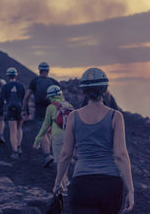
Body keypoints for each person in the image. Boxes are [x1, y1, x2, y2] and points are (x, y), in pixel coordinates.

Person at [54, 68, 134, 213]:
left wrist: (58, 183)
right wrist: (130, 190)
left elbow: (66, 154)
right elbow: (121, 155)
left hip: (82, 184)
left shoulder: (73, 116)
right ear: (105, 89)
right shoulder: (115, 116)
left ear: (83, 91)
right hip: (111, 184)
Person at [33, 85, 73, 191]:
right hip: (70, 136)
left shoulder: (51, 107)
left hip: (58, 137)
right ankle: (67, 180)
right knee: (66, 159)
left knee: (60, 162)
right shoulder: (69, 106)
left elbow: (45, 126)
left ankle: (63, 188)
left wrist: (38, 139)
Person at [23, 62, 59, 167]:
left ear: (39, 70)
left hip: (40, 110)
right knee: (49, 132)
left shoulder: (35, 81)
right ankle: (51, 152)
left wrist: (24, 110)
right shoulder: (54, 81)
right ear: (48, 71)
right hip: (53, 110)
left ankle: (48, 155)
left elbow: (26, 97)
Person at [0, 67, 25, 159]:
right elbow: (24, 99)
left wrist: (2, 111)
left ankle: (14, 152)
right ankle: (19, 147)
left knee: (12, 131)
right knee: (19, 128)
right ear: (16, 75)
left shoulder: (5, 86)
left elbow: (2, 100)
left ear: (8, 76)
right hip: (20, 109)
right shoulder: (21, 85)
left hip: (10, 110)